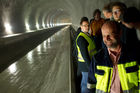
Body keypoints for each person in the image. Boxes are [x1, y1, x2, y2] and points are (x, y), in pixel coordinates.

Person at [87, 21, 139, 93]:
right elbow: (91, 84)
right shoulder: (97, 58)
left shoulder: (134, 55)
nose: (107, 38)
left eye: (110, 34)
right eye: (104, 36)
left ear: (120, 33)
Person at [76, 17, 97, 93]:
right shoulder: (81, 38)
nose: (87, 27)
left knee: (86, 83)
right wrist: (90, 68)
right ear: (81, 26)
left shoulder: (87, 35)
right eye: (85, 25)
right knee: (86, 84)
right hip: (86, 66)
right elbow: (85, 56)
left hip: (89, 64)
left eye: (88, 25)